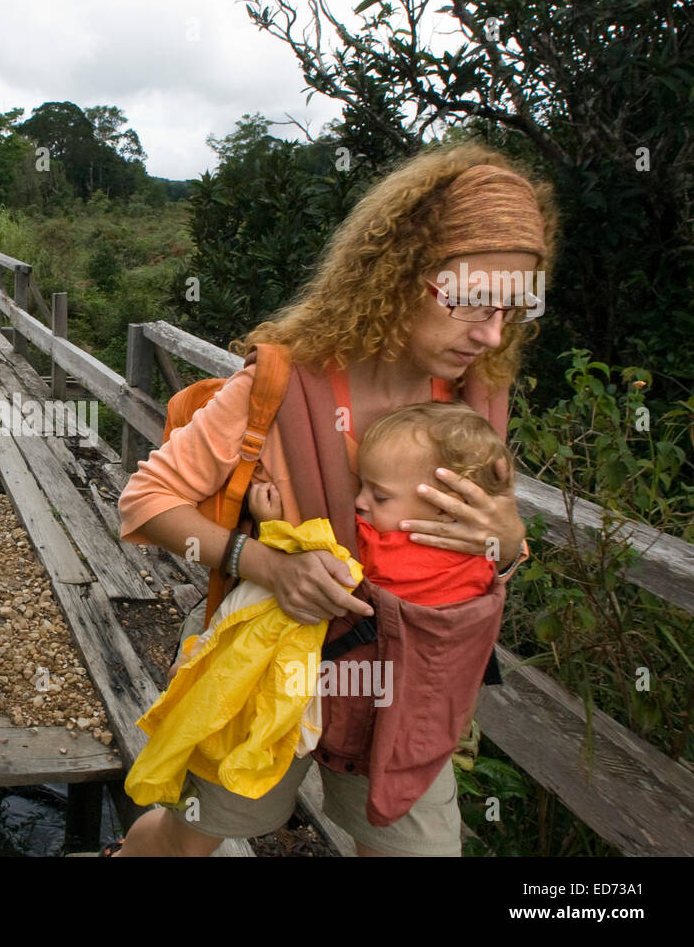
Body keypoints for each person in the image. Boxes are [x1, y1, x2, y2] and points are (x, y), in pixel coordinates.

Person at [109, 143, 555, 857]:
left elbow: (488, 550)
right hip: (267, 665)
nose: (493, 334)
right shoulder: (282, 384)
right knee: (192, 838)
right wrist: (266, 563)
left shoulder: (474, 395)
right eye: (472, 302)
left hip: (406, 689)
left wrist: (505, 539)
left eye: (514, 310)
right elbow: (144, 500)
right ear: (399, 274)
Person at [122, 401, 515, 818]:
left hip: (343, 688)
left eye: (378, 495)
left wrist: (269, 523)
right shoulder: (473, 557)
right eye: (361, 487)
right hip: (408, 712)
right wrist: (506, 548)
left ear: (444, 506)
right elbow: (494, 573)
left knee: (199, 821)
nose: (360, 503)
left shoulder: (378, 546)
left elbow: (313, 548)